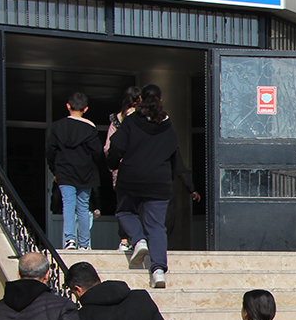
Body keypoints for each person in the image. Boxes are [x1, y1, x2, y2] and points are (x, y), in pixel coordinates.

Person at [106, 84, 201, 289]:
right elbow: (174, 154)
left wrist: (112, 164)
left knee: (125, 211)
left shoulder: (132, 121)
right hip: (159, 181)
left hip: (131, 178)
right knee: (157, 226)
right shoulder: (167, 125)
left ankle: (138, 240)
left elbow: (116, 146)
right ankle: (158, 271)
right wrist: (188, 184)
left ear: (140, 99)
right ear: (160, 100)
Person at [46, 91, 103, 251]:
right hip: (85, 173)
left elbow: (50, 150)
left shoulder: (57, 126)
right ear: (86, 109)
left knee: (68, 204)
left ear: (68, 106)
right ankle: (84, 243)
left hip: (64, 171)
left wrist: (54, 170)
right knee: (83, 207)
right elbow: (97, 152)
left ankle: (69, 240)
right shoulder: (90, 128)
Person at [106, 86, 141, 250]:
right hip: (142, 170)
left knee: (124, 207)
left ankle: (124, 240)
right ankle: (140, 239)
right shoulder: (144, 119)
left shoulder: (117, 119)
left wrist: (113, 165)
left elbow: (108, 147)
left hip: (121, 171)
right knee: (142, 205)